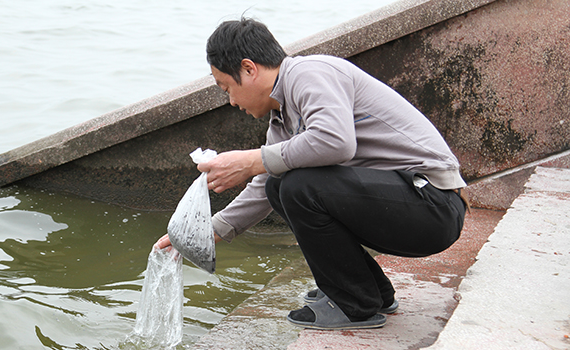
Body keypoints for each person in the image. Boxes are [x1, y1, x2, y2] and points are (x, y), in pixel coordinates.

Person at [156, 17, 468, 330]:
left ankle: (354, 303)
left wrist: (252, 160)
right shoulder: (283, 115)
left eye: (227, 88)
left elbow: (336, 141)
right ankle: (371, 292)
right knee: (281, 185)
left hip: (433, 205)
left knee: (297, 185)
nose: (232, 101)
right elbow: (265, 184)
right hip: (408, 207)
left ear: (249, 69)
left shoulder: (310, 73)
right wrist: (201, 234)